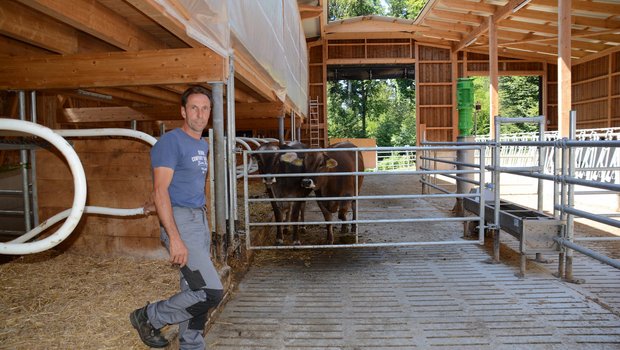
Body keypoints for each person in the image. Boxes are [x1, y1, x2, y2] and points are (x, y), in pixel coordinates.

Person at [130, 86, 223, 349]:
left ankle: (192, 345)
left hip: (198, 220)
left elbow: (174, 184)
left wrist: (152, 203)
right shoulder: (171, 142)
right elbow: (161, 188)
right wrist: (175, 238)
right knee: (211, 292)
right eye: (194, 107)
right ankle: (148, 316)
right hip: (181, 222)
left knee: (193, 288)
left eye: (205, 108)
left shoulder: (202, 144)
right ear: (183, 111)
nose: (200, 114)